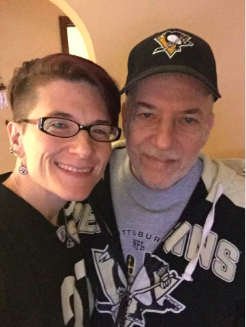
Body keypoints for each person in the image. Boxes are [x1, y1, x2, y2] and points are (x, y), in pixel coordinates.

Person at [69, 29, 245, 327]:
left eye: (188, 119)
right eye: (147, 115)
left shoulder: (239, 210)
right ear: (125, 117)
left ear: (208, 126)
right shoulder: (77, 181)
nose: (164, 142)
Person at [0, 53, 121, 326]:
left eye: (99, 130)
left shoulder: (70, 217)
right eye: (58, 125)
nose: (83, 148)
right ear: (17, 137)